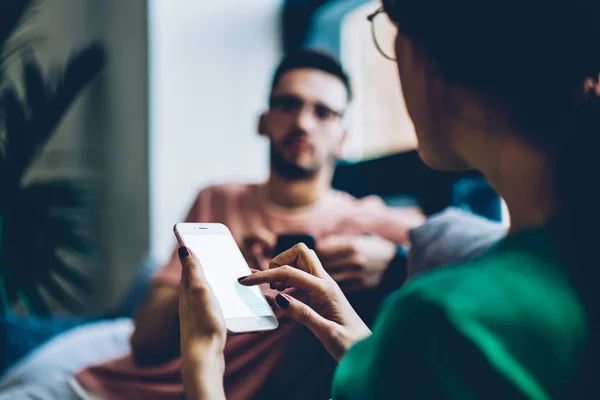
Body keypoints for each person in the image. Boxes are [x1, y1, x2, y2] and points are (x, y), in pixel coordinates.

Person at [177, 0, 600, 398]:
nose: (303, 123)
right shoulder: (569, 268)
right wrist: (367, 352)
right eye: (288, 105)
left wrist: (202, 360)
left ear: (423, 60)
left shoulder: (441, 322)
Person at [0, 49, 423, 399]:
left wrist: (394, 259)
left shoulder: (369, 223)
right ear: (263, 120)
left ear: (344, 136)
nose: (302, 122)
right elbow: (145, 342)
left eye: (323, 112)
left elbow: (464, 250)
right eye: (288, 104)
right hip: (116, 386)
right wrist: (218, 271)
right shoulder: (219, 200)